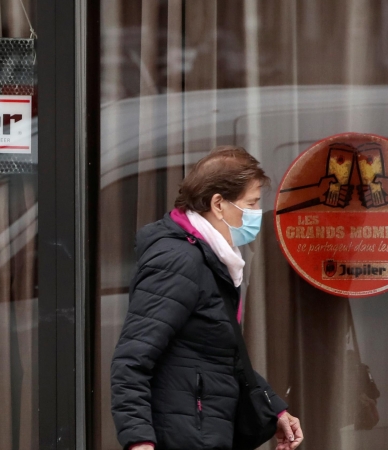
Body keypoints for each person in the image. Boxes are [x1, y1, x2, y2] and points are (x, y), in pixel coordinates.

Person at [110, 146, 304, 450]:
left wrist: (273, 407)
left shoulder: (214, 258)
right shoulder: (178, 261)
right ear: (218, 204)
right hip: (182, 433)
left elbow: (218, 353)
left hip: (202, 428)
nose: (257, 214)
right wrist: (139, 441)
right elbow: (132, 359)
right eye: (251, 203)